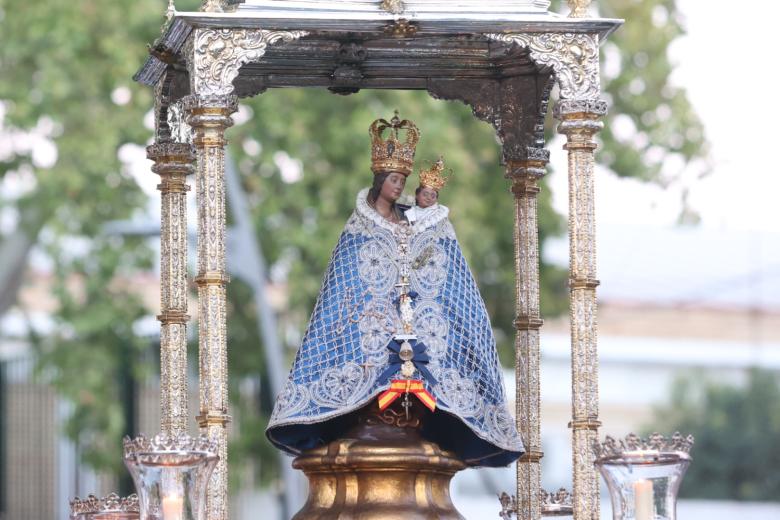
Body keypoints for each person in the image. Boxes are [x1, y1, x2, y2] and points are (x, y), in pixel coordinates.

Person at [267, 113, 523, 467]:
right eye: (392, 179)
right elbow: (342, 292)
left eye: (403, 180)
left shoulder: (419, 223)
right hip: (368, 343)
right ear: (379, 180)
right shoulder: (359, 230)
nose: (398, 186)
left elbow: (444, 276)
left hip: (417, 348)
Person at [405, 156, 450, 227]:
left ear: (436, 199)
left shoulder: (439, 216)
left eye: (433, 196)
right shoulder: (408, 214)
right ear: (417, 195)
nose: (429, 198)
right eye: (425, 194)